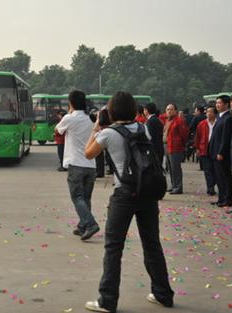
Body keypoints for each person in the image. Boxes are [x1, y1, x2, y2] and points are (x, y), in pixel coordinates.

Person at [84, 91, 174, 313]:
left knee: (114, 247)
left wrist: (96, 126)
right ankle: (163, 294)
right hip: (147, 192)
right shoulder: (142, 129)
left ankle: (107, 300)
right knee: (152, 243)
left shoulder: (108, 133)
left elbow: (88, 153)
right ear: (134, 110)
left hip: (124, 193)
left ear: (111, 110)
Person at [55, 90, 99, 241]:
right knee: (86, 197)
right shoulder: (91, 119)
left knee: (77, 197)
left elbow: (58, 130)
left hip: (76, 164)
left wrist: (69, 112)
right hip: (91, 164)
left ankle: (90, 224)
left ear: (71, 103)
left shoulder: (69, 118)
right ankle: (83, 226)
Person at [208, 95, 232, 207]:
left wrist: (221, 152)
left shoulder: (228, 118)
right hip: (214, 152)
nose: (217, 105)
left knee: (224, 177)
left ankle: (228, 199)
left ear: (226, 104)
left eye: (219, 103)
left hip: (221, 153)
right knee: (219, 177)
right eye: (217, 103)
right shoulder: (220, 116)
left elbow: (225, 137)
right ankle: (221, 198)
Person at [164, 103, 189, 194]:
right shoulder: (168, 120)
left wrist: (181, 144)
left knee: (175, 168)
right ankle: (173, 185)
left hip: (175, 147)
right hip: (167, 146)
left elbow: (184, 134)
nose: (169, 111)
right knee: (170, 168)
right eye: (167, 109)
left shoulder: (179, 121)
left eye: (171, 109)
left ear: (175, 111)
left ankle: (178, 187)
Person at [194, 106, 217, 196]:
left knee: (215, 170)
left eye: (210, 112)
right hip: (204, 148)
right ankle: (210, 189)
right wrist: (197, 148)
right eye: (207, 112)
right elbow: (197, 137)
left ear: (215, 113)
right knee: (207, 170)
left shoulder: (218, 123)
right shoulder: (202, 124)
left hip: (215, 149)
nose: (208, 113)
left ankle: (212, 183)